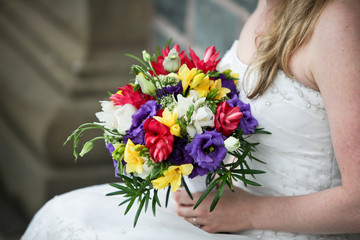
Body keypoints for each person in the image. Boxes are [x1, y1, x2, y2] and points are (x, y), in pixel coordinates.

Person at [21, 0, 360, 239]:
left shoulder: (336, 24)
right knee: (66, 216)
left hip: (280, 229)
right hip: (220, 214)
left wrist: (246, 211)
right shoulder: (267, 7)